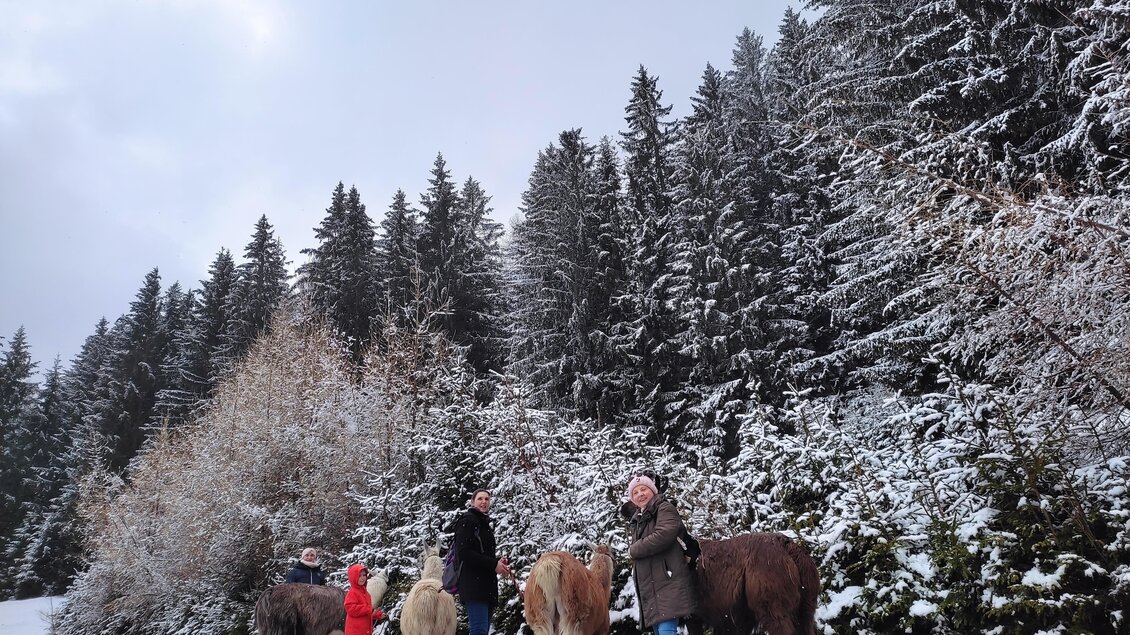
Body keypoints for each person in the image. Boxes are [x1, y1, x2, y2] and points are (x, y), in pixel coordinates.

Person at [626, 474, 698, 635]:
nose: (640, 494)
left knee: (667, 629)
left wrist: (634, 550)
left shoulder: (664, 508)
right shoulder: (639, 519)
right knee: (661, 630)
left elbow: (664, 534)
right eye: (635, 492)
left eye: (643, 489)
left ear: (652, 490)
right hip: (652, 586)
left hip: (667, 582)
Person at [453, 488, 511, 635]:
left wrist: (498, 562)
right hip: (474, 585)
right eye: (480, 499)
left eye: (487, 499)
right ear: (472, 502)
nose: (484, 502)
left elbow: (480, 554)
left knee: (482, 631)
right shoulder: (467, 521)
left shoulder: (483, 524)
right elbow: (464, 552)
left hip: (486, 586)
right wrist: (493, 564)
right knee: (479, 630)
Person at [343, 563, 386, 635]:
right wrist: (368, 610)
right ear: (353, 577)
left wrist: (378, 615)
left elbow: (367, 612)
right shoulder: (352, 592)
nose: (362, 578)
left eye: (364, 575)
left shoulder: (366, 594)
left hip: (365, 630)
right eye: (359, 576)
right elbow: (350, 608)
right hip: (355, 631)